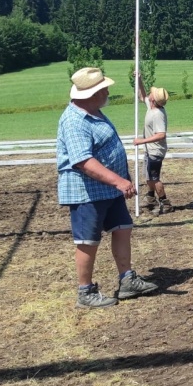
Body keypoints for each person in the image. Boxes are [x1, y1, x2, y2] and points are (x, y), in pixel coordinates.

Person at [56, 67, 159, 308]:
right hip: (87, 191)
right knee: (87, 241)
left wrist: (119, 180)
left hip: (109, 188)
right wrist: (119, 181)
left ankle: (127, 280)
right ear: (92, 94)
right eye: (104, 89)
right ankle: (85, 292)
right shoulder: (74, 120)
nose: (108, 92)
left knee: (123, 228)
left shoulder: (94, 112)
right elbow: (83, 161)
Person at [133, 77, 173, 215]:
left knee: (154, 178)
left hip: (156, 151)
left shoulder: (158, 114)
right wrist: (139, 80)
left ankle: (165, 203)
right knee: (148, 176)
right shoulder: (151, 106)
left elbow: (161, 134)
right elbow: (142, 95)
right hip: (149, 149)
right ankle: (150, 198)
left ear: (154, 100)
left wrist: (141, 141)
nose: (150, 94)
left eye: (152, 93)